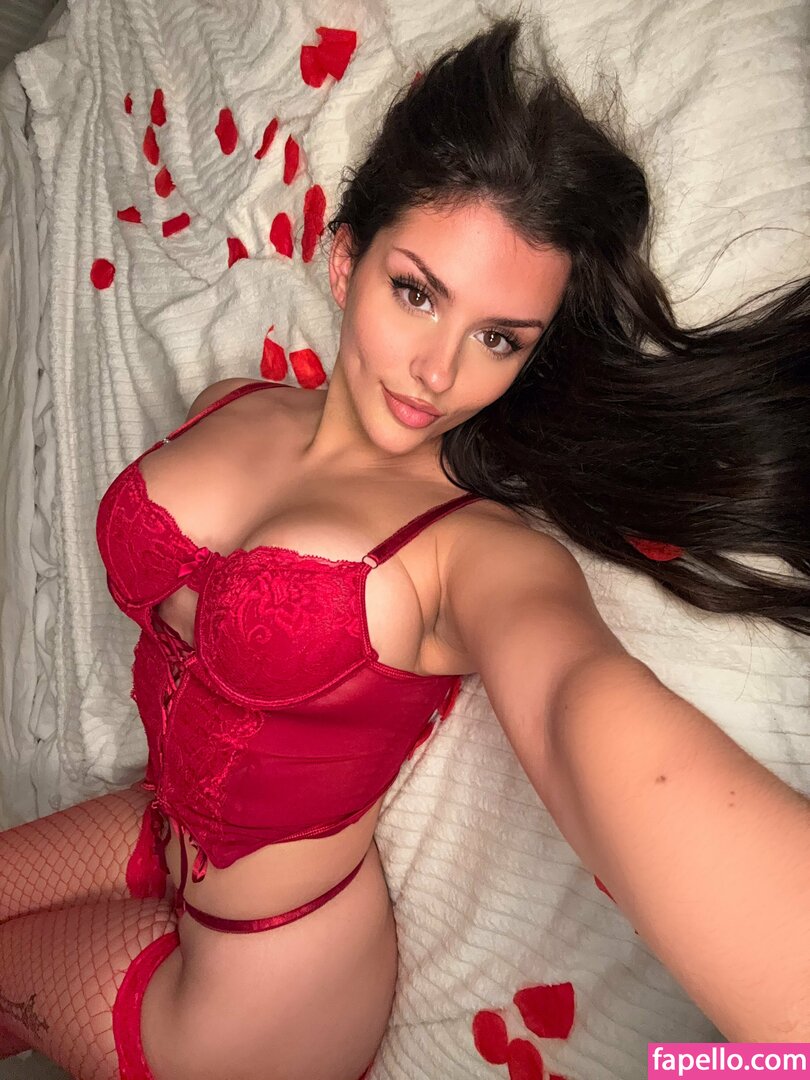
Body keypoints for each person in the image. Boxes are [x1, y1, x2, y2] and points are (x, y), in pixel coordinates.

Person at [1, 14, 809, 1080]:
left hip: (263, 1001)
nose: (438, 371)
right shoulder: (231, 402)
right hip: (161, 827)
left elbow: (581, 709)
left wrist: (761, 1042)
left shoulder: (471, 556)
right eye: (417, 293)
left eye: (498, 339)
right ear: (346, 261)